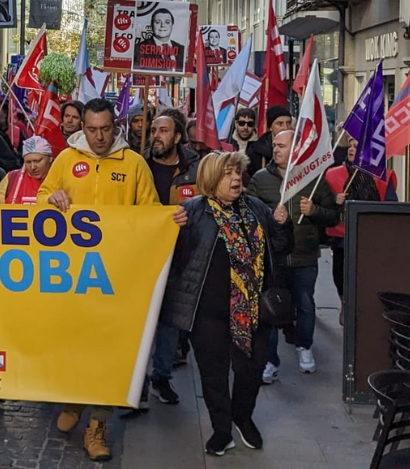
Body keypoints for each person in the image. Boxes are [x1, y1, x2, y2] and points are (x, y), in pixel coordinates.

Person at [38, 98, 188, 462]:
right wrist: (50, 198)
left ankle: (97, 426)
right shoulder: (65, 160)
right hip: (72, 277)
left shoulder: (134, 164)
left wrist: (168, 220)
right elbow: (42, 198)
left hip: (116, 277)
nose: (99, 136)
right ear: (82, 128)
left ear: (116, 126)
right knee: (74, 345)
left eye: (106, 129)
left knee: (110, 352)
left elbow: (149, 211)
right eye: (92, 130)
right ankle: (74, 401)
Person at [162, 151, 288, 456]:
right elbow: (171, 259)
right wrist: (170, 229)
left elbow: (281, 249)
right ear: (210, 179)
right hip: (207, 313)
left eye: (237, 173)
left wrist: (284, 225)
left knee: (251, 371)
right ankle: (221, 430)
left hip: (253, 310)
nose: (235, 179)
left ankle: (242, 417)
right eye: (227, 174)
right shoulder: (191, 211)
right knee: (213, 376)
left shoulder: (257, 208)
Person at [246, 130, 340, 384]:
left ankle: (304, 346)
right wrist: (269, 215)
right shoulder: (260, 178)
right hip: (273, 256)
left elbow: (334, 215)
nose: (275, 150)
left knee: (305, 303)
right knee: (271, 307)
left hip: (303, 255)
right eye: (274, 145)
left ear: (295, 150)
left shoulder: (313, 179)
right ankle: (270, 360)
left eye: (281, 146)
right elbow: (249, 211)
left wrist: (315, 210)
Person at [143, 111, 202, 407]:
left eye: (163, 131)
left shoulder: (195, 168)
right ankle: (136, 382)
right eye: (154, 130)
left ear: (177, 137)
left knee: (168, 321)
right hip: (142, 257)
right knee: (140, 322)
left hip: (180, 256)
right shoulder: (139, 166)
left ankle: (161, 377)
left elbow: (208, 206)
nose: (156, 135)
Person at [323, 134, 398, 323]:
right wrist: (334, 199)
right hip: (341, 235)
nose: (351, 149)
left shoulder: (384, 176)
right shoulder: (332, 174)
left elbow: (391, 206)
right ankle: (344, 302)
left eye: (357, 147)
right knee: (340, 274)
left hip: (370, 237)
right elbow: (322, 202)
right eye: (350, 145)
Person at [0, 136, 54, 204]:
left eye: (37, 161)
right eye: (28, 162)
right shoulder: (11, 178)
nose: (33, 167)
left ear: (50, 158)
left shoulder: (61, 177)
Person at [244, 105, 293, 177]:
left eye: (288, 123)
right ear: (270, 127)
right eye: (280, 124)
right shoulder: (255, 152)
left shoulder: (299, 146)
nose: (285, 128)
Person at [135, 7, 185, 71]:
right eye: (158, 22)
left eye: (167, 22)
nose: (162, 25)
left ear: (172, 25)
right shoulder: (138, 49)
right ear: (151, 25)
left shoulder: (182, 49)